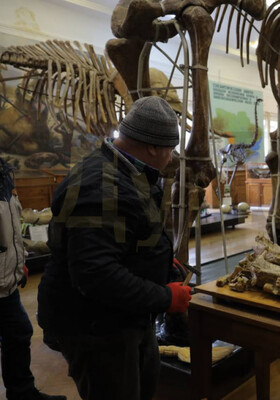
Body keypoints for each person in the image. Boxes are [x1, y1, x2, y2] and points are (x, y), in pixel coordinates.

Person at [37, 96, 192, 400]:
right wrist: (165, 297)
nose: (171, 158)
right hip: (97, 329)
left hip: (125, 318)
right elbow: (95, 274)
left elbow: (126, 237)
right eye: (170, 150)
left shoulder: (126, 174)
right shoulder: (100, 185)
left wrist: (161, 265)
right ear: (152, 147)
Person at [0, 157, 66, 400]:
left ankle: (22, 393)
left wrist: (18, 263)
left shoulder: (4, 177)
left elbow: (10, 227)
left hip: (7, 281)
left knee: (18, 332)